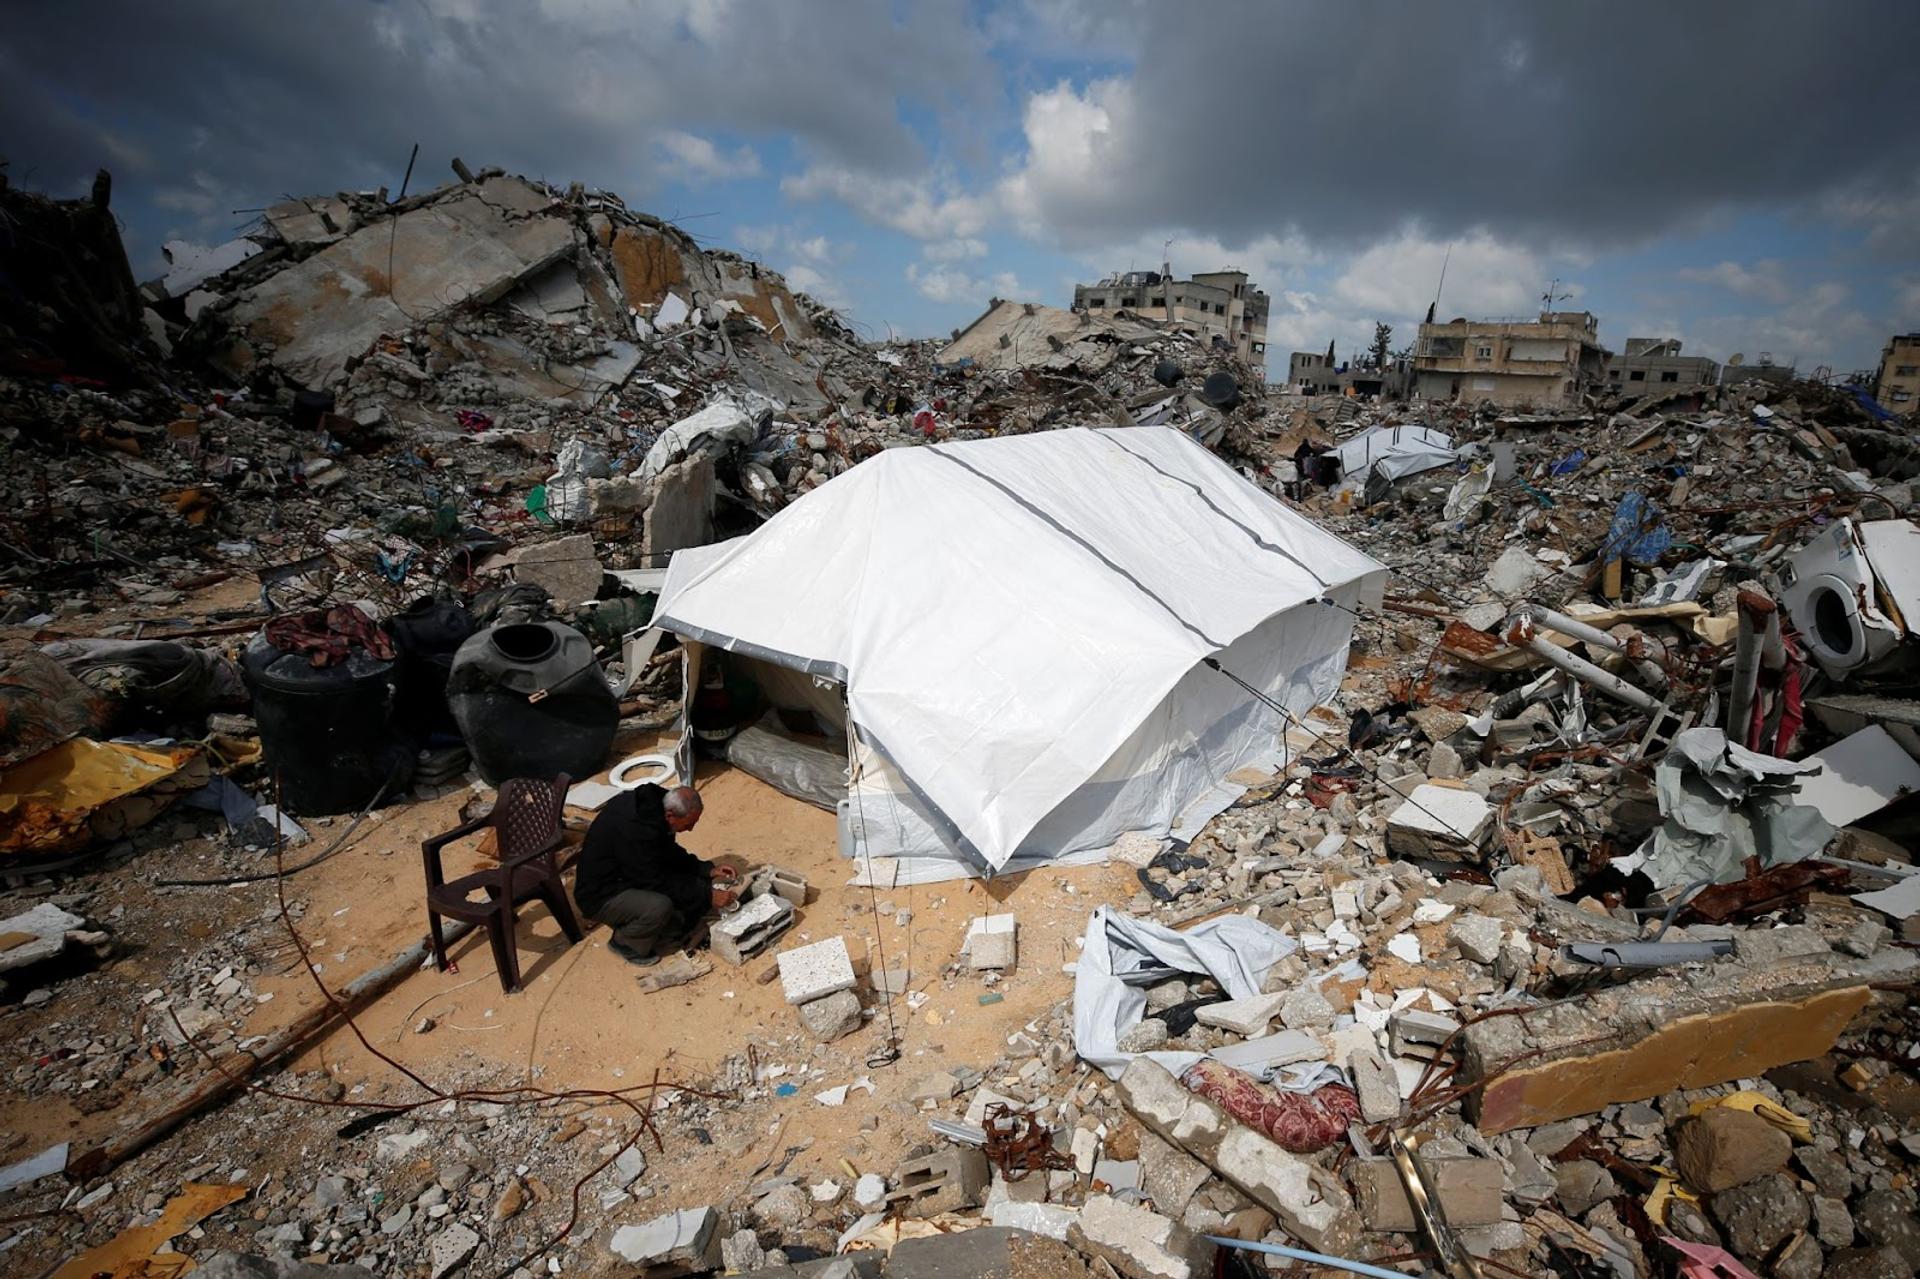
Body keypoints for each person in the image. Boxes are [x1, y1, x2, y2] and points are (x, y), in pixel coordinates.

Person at [572, 783, 737, 967]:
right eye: (689, 824)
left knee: (683, 900)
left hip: (625, 875)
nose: (690, 829)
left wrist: (705, 869)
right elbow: (655, 881)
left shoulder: (654, 811)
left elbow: (667, 852)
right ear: (670, 815)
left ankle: (638, 920)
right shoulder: (636, 831)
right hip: (600, 895)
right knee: (659, 907)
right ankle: (626, 944)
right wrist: (707, 895)